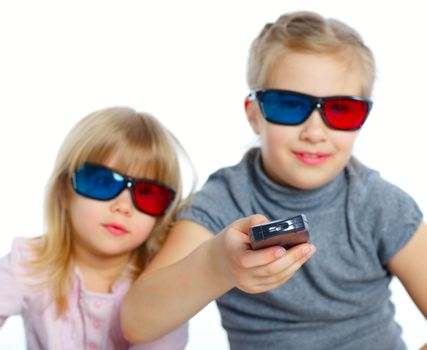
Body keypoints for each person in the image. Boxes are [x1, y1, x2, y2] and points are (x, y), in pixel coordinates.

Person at [121, 11, 427, 350]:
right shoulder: (226, 200)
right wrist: (216, 266)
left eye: (341, 110)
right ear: (254, 115)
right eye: (290, 105)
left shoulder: (380, 204)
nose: (314, 132)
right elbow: (137, 322)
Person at [0, 107, 189, 349]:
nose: (123, 206)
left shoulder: (161, 285)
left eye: (147, 193)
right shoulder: (30, 262)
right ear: (64, 191)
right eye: (103, 181)